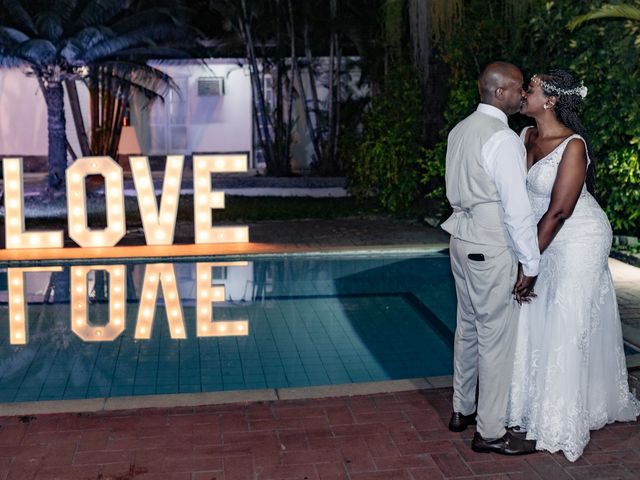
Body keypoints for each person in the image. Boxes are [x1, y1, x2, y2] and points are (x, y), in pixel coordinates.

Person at [507, 69, 640, 462]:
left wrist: (528, 263)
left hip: (577, 238)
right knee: (535, 316)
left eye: (529, 89)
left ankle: (557, 422)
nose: (523, 93)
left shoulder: (573, 146)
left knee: (566, 320)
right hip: (540, 237)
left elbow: (561, 209)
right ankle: (528, 405)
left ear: (550, 100)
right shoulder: (523, 136)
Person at [441, 61, 541, 455]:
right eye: (518, 88)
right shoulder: (502, 138)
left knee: (467, 325)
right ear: (500, 92)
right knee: (495, 337)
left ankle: (460, 409)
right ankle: (490, 431)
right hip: (490, 241)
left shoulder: (460, 129)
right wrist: (530, 265)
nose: (521, 94)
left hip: (460, 239)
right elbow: (515, 209)